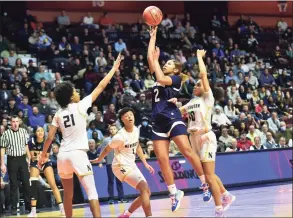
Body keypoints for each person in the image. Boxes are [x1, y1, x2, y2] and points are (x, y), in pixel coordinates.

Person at [38, 54, 123, 218]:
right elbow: (100, 86)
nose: (78, 92)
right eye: (75, 91)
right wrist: (113, 68)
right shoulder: (80, 105)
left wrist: (43, 155)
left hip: (62, 156)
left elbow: (49, 138)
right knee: (92, 192)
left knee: (68, 195)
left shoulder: (58, 113)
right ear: (71, 97)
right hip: (78, 154)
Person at [147, 26, 211, 212]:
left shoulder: (175, 80)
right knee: (161, 159)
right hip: (157, 121)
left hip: (172, 117)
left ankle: (204, 183)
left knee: (186, 151)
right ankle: (174, 192)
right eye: (165, 63)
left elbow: (157, 70)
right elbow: (151, 58)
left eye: (168, 63)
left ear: (175, 69)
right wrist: (153, 35)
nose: (165, 64)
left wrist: (157, 62)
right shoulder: (159, 77)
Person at [170, 50, 236, 217]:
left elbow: (203, 74)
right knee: (209, 174)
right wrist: (172, 103)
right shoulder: (192, 102)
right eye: (196, 84)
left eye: (198, 84)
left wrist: (199, 57)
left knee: (208, 175)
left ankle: (219, 208)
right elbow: (178, 111)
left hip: (206, 137)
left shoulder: (207, 98)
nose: (196, 86)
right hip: (194, 139)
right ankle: (226, 195)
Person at [91, 108, 155, 218]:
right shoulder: (119, 136)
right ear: (122, 119)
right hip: (120, 166)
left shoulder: (136, 130)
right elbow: (107, 149)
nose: (130, 117)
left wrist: (145, 163)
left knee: (147, 193)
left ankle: (126, 214)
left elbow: (137, 146)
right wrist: (99, 159)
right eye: (126, 115)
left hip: (131, 164)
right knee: (144, 188)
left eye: (131, 114)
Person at [27, 127, 64, 217]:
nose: (40, 133)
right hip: (35, 162)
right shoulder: (31, 141)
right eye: (38, 131)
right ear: (35, 133)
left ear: (44, 133)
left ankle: (62, 208)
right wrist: (38, 156)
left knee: (52, 184)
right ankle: (33, 211)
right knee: (34, 184)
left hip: (44, 162)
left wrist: (40, 157)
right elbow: (32, 156)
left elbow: (46, 157)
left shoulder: (48, 141)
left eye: (41, 131)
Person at [0, 115, 31, 215]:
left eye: (16, 121)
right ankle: (13, 207)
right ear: (10, 123)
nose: (15, 123)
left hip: (22, 159)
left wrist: (29, 157)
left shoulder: (23, 131)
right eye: (13, 121)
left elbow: (26, 145)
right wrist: (2, 164)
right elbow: (2, 149)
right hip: (12, 160)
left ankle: (29, 207)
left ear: (19, 122)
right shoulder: (6, 134)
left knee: (26, 182)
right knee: (14, 184)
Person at [99, 124, 127, 204]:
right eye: (111, 129)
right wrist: (101, 161)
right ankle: (111, 198)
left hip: (119, 163)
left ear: (116, 130)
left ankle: (121, 198)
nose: (112, 130)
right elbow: (102, 151)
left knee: (119, 180)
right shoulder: (106, 140)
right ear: (109, 130)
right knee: (110, 181)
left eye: (114, 129)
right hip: (110, 163)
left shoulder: (121, 139)